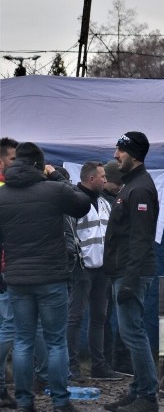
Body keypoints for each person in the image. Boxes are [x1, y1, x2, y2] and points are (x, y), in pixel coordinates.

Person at [0, 142, 91, 412]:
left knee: (23, 342)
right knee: (55, 342)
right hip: (51, 277)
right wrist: (57, 175)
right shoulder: (54, 190)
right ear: (40, 164)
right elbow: (83, 204)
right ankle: (61, 402)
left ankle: (25, 402)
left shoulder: (2, 196)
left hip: (17, 279)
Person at [102, 132, 160, 412]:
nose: (115, 155)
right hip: (124, 271)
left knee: (133, 333)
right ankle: (138, 390)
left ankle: (148, 397)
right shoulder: (130, 185)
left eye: (120, 151)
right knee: (132, 332)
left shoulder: (140, 189)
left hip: (131, 273)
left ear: (134, 154)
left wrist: (129, 280)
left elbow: (140, 238)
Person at [67, 162, 124, 382]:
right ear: (91, 179)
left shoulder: (104, 202)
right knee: (75, 317)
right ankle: (72, 366)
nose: (105, 179)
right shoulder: (73, 203)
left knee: (99, 317)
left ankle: (98, 366)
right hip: (81, 269)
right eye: (102, 176)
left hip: (102, 269)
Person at [101, 159, 132, 377]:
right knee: (103, 317)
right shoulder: (103, 202)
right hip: (106, 266)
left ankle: (117, 360)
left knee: (118, 316)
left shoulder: (118, 199)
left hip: (116, 265)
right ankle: (108, 360)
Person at [0, 137, 18, 408]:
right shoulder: (5, 189)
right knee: (8, 327)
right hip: (5, 269)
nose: (19, 164)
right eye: (14, 159)